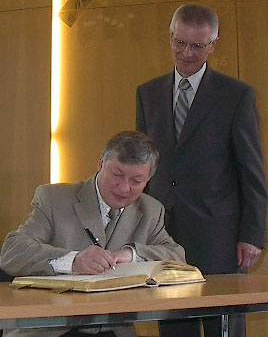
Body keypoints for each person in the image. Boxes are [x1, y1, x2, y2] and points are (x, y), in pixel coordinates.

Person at [136, 3, 268, 337]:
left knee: (223, 327)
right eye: (180, 43)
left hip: (219, 238)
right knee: (174, 329)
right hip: (162, 239)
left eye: (197, 46)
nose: (186, 53)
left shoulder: (236, 95)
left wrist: (251, 236)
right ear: (170, 38)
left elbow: (251, 170)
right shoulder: (147, 94)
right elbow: (142, 169)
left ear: (213, 44)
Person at [1, 130, 185, 337]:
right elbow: (12, 252)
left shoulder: (151, 210)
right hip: (51, 329)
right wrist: (73, 261)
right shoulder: (54, 199)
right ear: (100, 165)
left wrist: (131, 254)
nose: (124, 188)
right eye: (117, 175)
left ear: (149, 179)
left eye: (136, 181)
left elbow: (176, 257)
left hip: (113, 330)